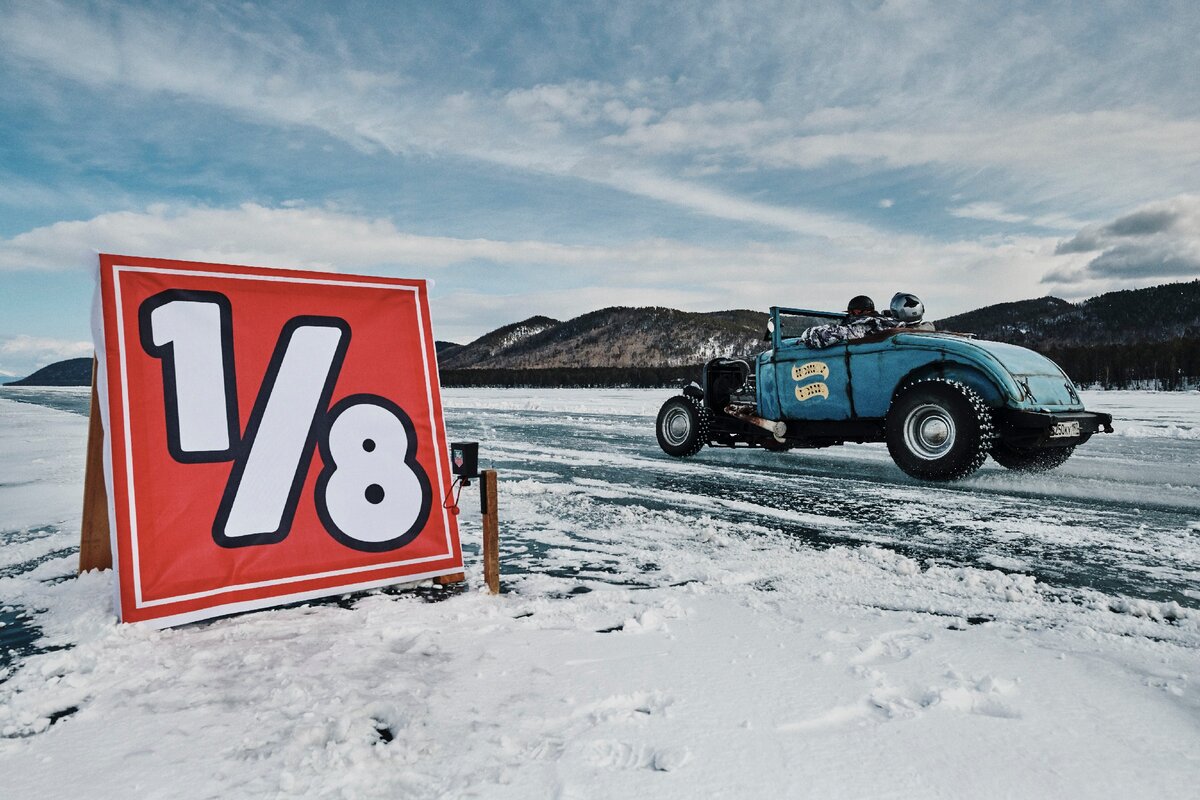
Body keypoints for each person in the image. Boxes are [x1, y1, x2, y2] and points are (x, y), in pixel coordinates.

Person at [800, 295, 899, 348]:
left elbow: (821, 337)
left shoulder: (864, 326)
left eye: (854, 312)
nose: (852, 315)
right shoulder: (890, 322)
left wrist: (804, 336)